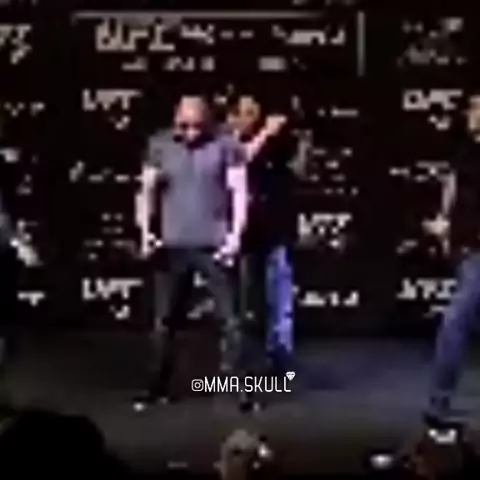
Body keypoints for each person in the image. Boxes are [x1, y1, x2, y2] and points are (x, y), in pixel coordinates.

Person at [133, 95, 249, 411]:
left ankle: (237, 390)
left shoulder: (227, 145)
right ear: (175, 121)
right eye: (184, 126)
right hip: (172, 245)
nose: (191, 132)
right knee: (164, 321)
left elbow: (239, 192)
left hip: (215, 245)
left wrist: (235, 237)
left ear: (208, 121)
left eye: (197, 126)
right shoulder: (160, 145)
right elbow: (146, 191)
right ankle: (157, 387)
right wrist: (145, 232)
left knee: (231, 322)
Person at [226, 95, 308, 374]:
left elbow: (298, 172)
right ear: (233, 117)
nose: (253, 119)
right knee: (238, 297)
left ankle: (280, 352)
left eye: (256, 114)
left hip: (276, 228)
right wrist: (265, 133)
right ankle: (235, 352)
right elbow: (240, 159)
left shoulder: (276, 146)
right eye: (246, 113)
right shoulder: (227, 143)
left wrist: (303, 142)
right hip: (241, 233)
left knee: (280, 294)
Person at [423, 90, 480, 425]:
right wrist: (443, 220)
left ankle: (438, 402)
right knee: (459, 320)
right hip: (466, 245)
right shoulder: (465, 148)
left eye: (479, 109)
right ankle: (439, 401)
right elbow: (453, 185)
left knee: (455, 320)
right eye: (472, 108)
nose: (473, 114)